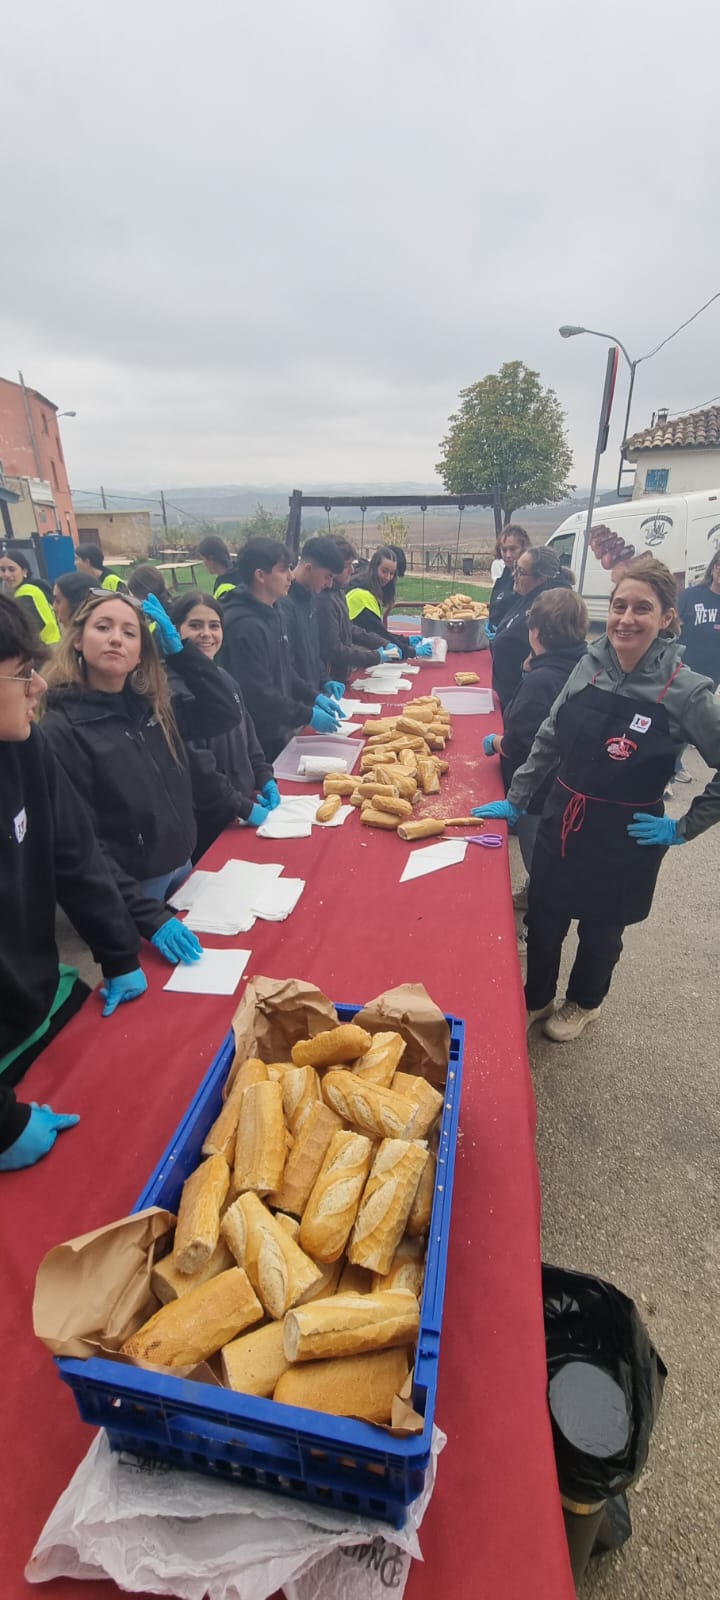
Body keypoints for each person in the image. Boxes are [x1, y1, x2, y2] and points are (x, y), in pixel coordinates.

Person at [472, 557, 720, 1042]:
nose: (627, 617)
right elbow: (550, 735)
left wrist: (685, 825)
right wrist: (518, 797)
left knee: (601, 931)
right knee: (544, 919)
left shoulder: (686, 692)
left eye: (642, 608)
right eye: (620, 605)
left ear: (667, 617)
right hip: (565, 816)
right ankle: (536, 998)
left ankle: (584, 1002)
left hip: (626, 835)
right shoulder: (590, 663)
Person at [0, 597, 148, 1170]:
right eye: (20, 674)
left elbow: (74, 852)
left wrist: (118, 952)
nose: (37, 686)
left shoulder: (24, 745)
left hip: (32, 993)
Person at [40, 590, 243, 959]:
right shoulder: (61, 727)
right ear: (78, 641)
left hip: (182, 867)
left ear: (141, 653)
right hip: (131, 891)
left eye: (130, 632)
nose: (117, 638)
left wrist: (183, 654)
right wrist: (149, 917)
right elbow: (83, 843)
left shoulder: (153, 706)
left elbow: (225, 711)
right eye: (103, 627)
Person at [482, 587, 588, 907]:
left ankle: (540, 903)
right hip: (570, 781)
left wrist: (495, 743)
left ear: (537, 631)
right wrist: (534, 664)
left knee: (538, 852)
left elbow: (522, 745)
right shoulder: (582, 664)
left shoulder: (542, 682)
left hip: (538, 795)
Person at [170, 590, 279, 858]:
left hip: (241, 809)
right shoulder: (172, 689)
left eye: (214, 626)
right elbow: (198, 769)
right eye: (195, 626)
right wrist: (242, 807)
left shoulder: (224, 680)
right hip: (209, 821)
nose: (206, 634)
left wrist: (265, 777)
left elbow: (250, 742)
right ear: (174, 631)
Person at [218, 538, 344, 761]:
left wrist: (313, 695)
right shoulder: (244, 626)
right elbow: (259, 694)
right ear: (260, 575)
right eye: (284, 570)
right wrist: (307, 714)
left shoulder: (272, 611)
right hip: (256, 740)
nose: (291, 576)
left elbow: (285, 670)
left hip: (278, 730)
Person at [490, 545, 573, 710]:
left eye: (521, 571)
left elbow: (549, 656)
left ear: (541, 579)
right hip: (509, 696)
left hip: (527, 702)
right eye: (515, 568)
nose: (514, 575)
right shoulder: (527, 594)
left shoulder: (550, 607)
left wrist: (525, 669)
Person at [316, 536, 396, 681]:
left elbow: (350, 628)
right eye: (347, 566)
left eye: (392, 574)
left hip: (341, 675)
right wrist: (375, 656)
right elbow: (334, 649)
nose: (352, 570)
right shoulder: (325, 601)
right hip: (332, 676)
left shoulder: (338, 591)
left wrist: (383, 643)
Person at [279, 536, 346, 694]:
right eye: (327, 577)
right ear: (308, 568)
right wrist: (310, 700)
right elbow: (286, 666)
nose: (329, 584)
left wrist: (324, 679)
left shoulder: (310, 598)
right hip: (297, 702)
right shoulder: (284, 605)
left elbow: (312, 652)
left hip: (311, 694)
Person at [345, 547, 418, 659]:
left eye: (392, 573)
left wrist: (406, 641)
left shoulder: (368, 589)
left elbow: (378, 631)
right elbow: (378, 633)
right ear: (374, 567)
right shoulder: (362, 595)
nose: (388, 577)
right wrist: (410, 651)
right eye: (384, 571)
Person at [0, 547, 60, 644]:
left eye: (12, 569)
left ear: (24, 571)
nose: (6, 574)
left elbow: (27, 629)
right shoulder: (33, 587)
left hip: (45, 648)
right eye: (2, 570)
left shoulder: (27, 592)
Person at [678, 550, 720, 688]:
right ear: (713, 568)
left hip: (713, 681)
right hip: (684, 676)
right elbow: (669, 629)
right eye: (719, 565)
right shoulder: (690, 596)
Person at [487, 525, 531, 635]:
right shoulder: (502, 579)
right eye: (504, 549)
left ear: (524, 549)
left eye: (513, 549)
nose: (508, 555)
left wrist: (507, 632)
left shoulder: (529, 580)